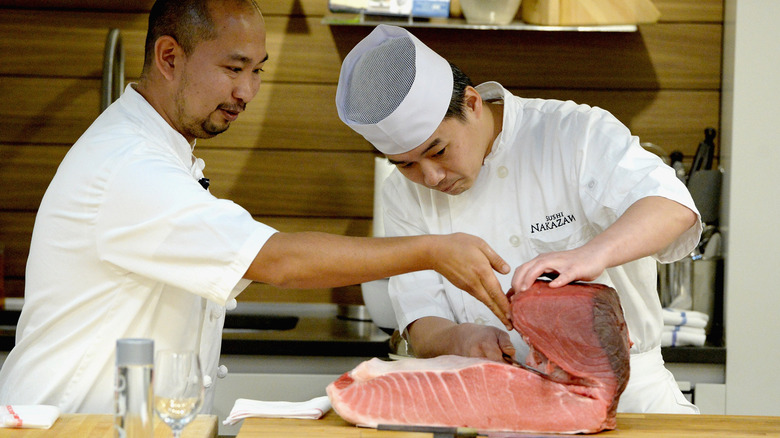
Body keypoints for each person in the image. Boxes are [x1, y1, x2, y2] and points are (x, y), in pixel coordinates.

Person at [0, 2, 514, 414]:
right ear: (169, 57)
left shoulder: (158, 151)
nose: (247, 91)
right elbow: (279, 261)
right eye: (233, 68)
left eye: (257, 70)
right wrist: (433, 250)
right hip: (64, 426)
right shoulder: (128, 163)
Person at [335, 24, 702, 414]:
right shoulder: (400, 194)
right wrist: (461, 339)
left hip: (628, 401)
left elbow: (672, 206)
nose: (431, 177)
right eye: (406, 164)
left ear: (472, 103)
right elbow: (422, 320)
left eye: (438, 151)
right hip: (496, 401)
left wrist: (590, 255)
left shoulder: (572, 133)